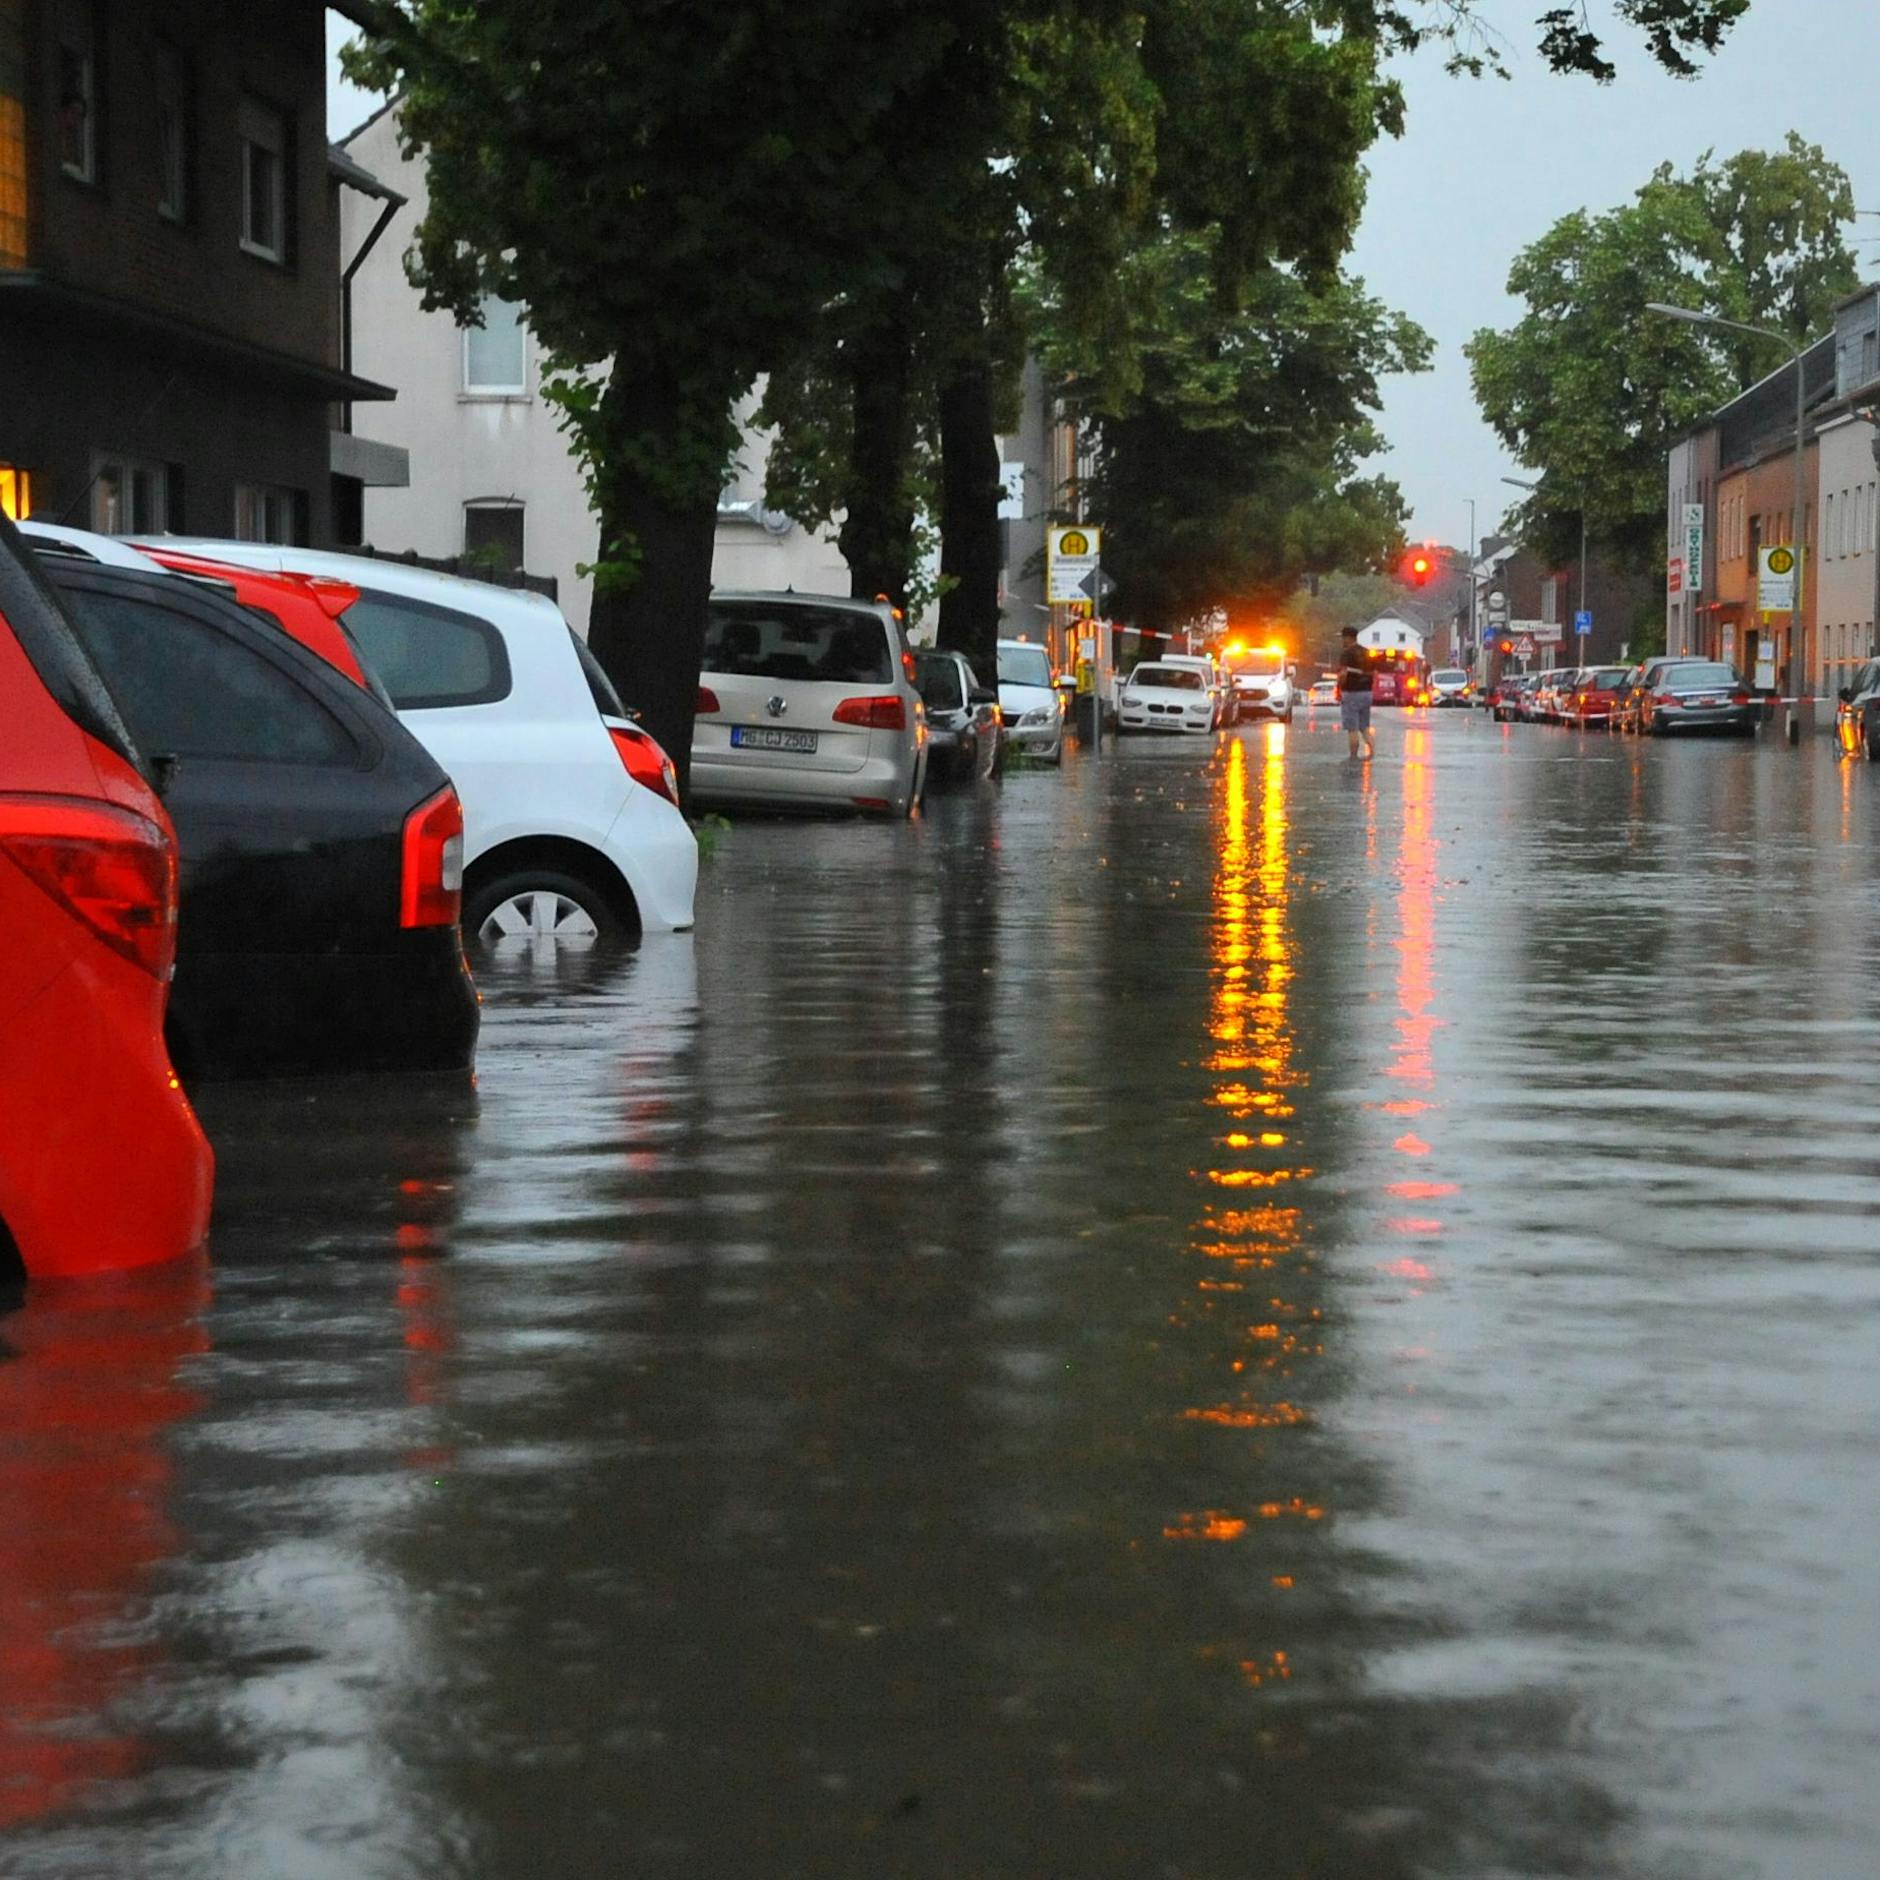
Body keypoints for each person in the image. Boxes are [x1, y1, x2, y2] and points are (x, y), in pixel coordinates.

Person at [1337, 626, 1376, 760]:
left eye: (1343, 637)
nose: (1342, 640)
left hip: (1352, 692)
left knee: (1352, 728)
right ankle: (1372, 752)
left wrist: (1338, 689)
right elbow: (1373, 673)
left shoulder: (1347, 653)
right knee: (1364, 726)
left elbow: (1343, 674)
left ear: (1348, 638)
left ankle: (1353, 756)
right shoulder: (1366, 652)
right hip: (1367, 693)